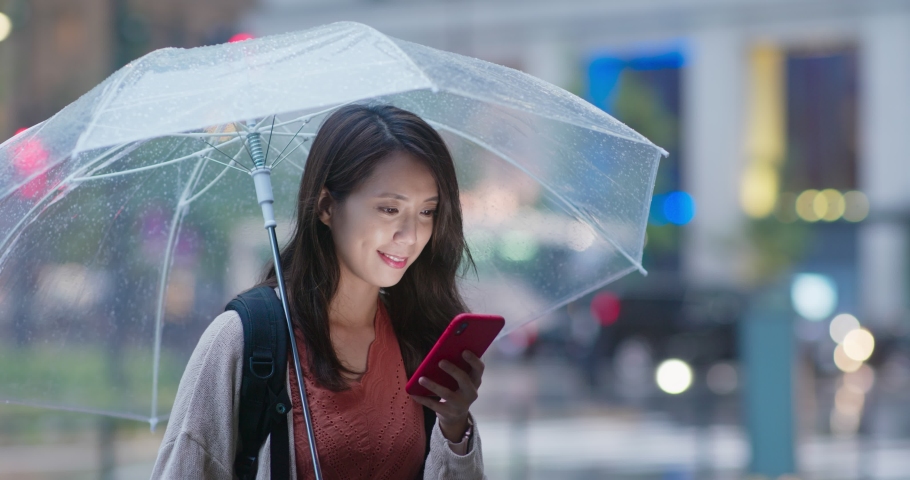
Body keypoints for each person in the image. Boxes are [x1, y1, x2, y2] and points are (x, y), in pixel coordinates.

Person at [152, 104, 486, 479]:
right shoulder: (244, 339)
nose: (410, 236)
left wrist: (455, 429)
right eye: (390, 209)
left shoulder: (416, 338)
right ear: (327, 206)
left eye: (427, 212)